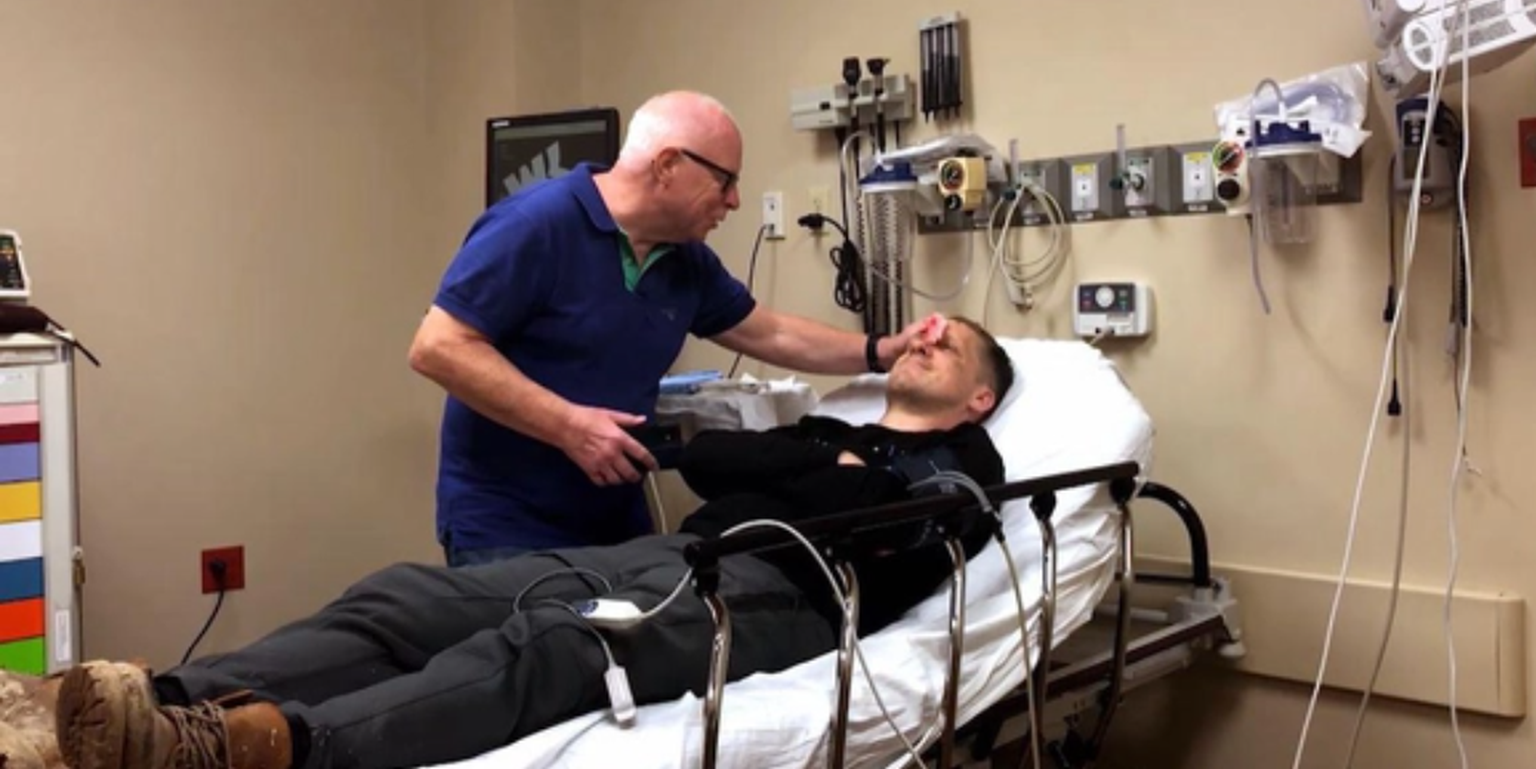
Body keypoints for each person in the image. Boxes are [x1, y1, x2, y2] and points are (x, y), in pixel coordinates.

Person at [54, 316, 1015, 769]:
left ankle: (256, 749)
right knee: (406, 598)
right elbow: (712, 460)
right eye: (922, 330)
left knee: (560, 645)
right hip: (676, 557)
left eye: (949, 343)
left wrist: (831, 476)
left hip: (786, 597)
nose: (924, 337)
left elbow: (892, 530)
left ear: (979, 395)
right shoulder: (831, 429)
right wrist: (826, 464)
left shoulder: (969, 465)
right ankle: (154, 700)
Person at [408, 90, 929, 565]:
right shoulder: (535, 225)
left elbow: (769, 333)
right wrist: (568, 426)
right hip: (508, 523)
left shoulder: (685, 260)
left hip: (613, 518)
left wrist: (884, 350)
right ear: (667, 165)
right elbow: (439, 347)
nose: (734, 201)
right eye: (725, 181)